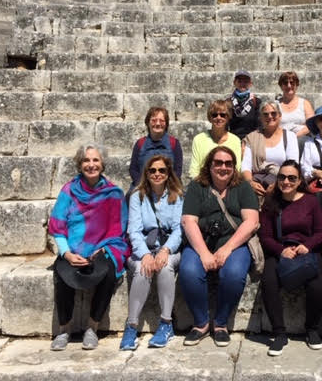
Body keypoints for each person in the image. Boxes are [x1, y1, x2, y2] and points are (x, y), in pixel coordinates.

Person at [49, 144, 129, 351]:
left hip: (102, 248)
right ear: (79, 164)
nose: (91, 164)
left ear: (102, 164)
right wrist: (66, 253)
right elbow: (58, 226)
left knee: (109, 272)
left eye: (95, 160)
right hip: (73, 248)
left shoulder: (113, 193)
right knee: (62, 274)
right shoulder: (68, 191)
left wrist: (103, 249)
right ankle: (64, 328)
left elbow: (118, 230)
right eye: (86, 160)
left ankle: (92, 327)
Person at [179, 146, 260, 347]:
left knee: (233, 274)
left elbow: (251, 221)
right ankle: (201, 323)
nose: (223, 167)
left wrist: (227, 248)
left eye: (228, 163)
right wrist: (204, 253)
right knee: (188, 271)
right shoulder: (197, 187)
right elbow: (189, 221)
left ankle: (221, 323)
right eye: (218, 163)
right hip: (202, 242)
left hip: (235, 243)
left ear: (234, 167)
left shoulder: (243, 187)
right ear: (210, 165)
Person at [258, 160, 322, 356]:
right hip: (281, 250)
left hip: (307, 250)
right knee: (269, 282)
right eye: (282, 177)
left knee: (317, 286)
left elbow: (320, 232)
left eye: (291, 178)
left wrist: (307, 246)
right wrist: (281, 251)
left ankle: (312, 329)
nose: (286, 181)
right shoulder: (271, 203)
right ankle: (279, 333)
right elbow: (265, 236)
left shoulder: (311, 201)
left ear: (299, 181)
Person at [119, 155, 183, 350]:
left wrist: (165, 250)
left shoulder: (177, 195)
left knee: (165, 268)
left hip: (168, 247)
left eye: (161, 170)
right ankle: (131, 326)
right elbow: (134, 230)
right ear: (146, 173)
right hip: (144, 247)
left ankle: (166, 324)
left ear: (168, 173)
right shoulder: (137, 195)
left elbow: (179, 229)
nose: (157, 174)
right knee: (141, 268)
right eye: (152, 170)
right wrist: (146, 254)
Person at [242, 102, 299, 200]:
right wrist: (251, 183)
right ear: (261, 117)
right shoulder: (252, 138)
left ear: (280, 116)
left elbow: (293, 165)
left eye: (273, 113)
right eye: (265, 114)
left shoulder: (290, 136)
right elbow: (245, 166)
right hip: (257, 183)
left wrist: (277, 184)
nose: (270, 116)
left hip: (284, 183)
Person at [129, 106, 183, 194]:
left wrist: (164, 187)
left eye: (162, 121)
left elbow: (177, 170)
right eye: (154, 120)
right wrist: (143, 185)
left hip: (168, 186)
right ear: (148, 122)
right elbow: (133, 169)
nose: (158, 124)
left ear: (166, 124)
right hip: (143, 187)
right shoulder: (140, 143)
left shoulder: (174, 143)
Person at [189, 100, 242, 178]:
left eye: (222, 115)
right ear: (210, 118)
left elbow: (237, 169)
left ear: (228, 118)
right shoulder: (199, 139)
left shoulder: (235, 140)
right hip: (204, 183)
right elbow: (194, 170)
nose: (218, 117)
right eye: (214, 115)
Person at [276, 71, 314, 151]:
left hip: (301, 140)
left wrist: (293, 137)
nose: (289, 86)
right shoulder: (276, 105)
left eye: (292, 83)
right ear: (281, 86)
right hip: (281, 140)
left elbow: (311, 125)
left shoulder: (305, 103)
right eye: (285, 83)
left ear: (296, 85)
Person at [227, 70, 262, 140]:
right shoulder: (228, 102)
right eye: (239, 81)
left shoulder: (256, 102)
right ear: (234, 83)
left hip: (251, 140)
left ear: (250, 83)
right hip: (233, 140)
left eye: (246, 81)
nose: (242, 84)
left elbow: (259, 125)